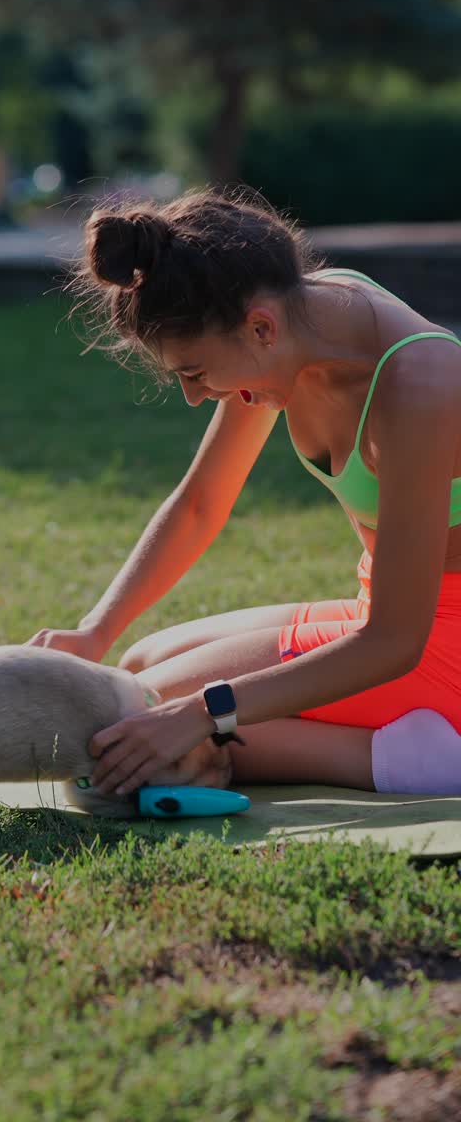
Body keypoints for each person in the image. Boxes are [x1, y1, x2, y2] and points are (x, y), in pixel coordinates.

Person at [27, 187, 461, 798]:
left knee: (124, 729)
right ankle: (403, 738)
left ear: (261, 326)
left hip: (429, 645)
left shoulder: (421, 384)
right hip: (393, 614)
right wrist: (95, 630)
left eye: (195, 372)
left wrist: (202, 713)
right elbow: (202, 501)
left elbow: (394, 642)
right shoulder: (297, 325)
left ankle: (412, 757)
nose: (195, 396)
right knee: (134, 672)